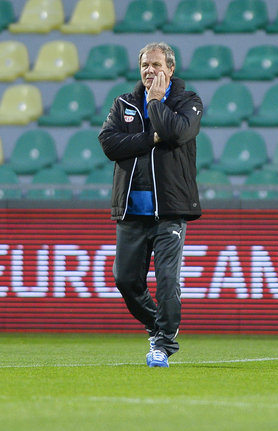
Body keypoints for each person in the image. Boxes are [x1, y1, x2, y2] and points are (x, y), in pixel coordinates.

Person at [98, 42, 203, 368]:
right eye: (145, 65)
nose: (149, 71)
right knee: (125, 281)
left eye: (156, 65)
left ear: (170, 69)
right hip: (131, 209)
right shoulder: (124, 103)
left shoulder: (188, 102)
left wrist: (156, 102)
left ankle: (162, 344)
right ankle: (159, 325)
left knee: (168, 280)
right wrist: (148, 140)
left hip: (170, 209)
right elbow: (109, 143)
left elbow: (174, 134)